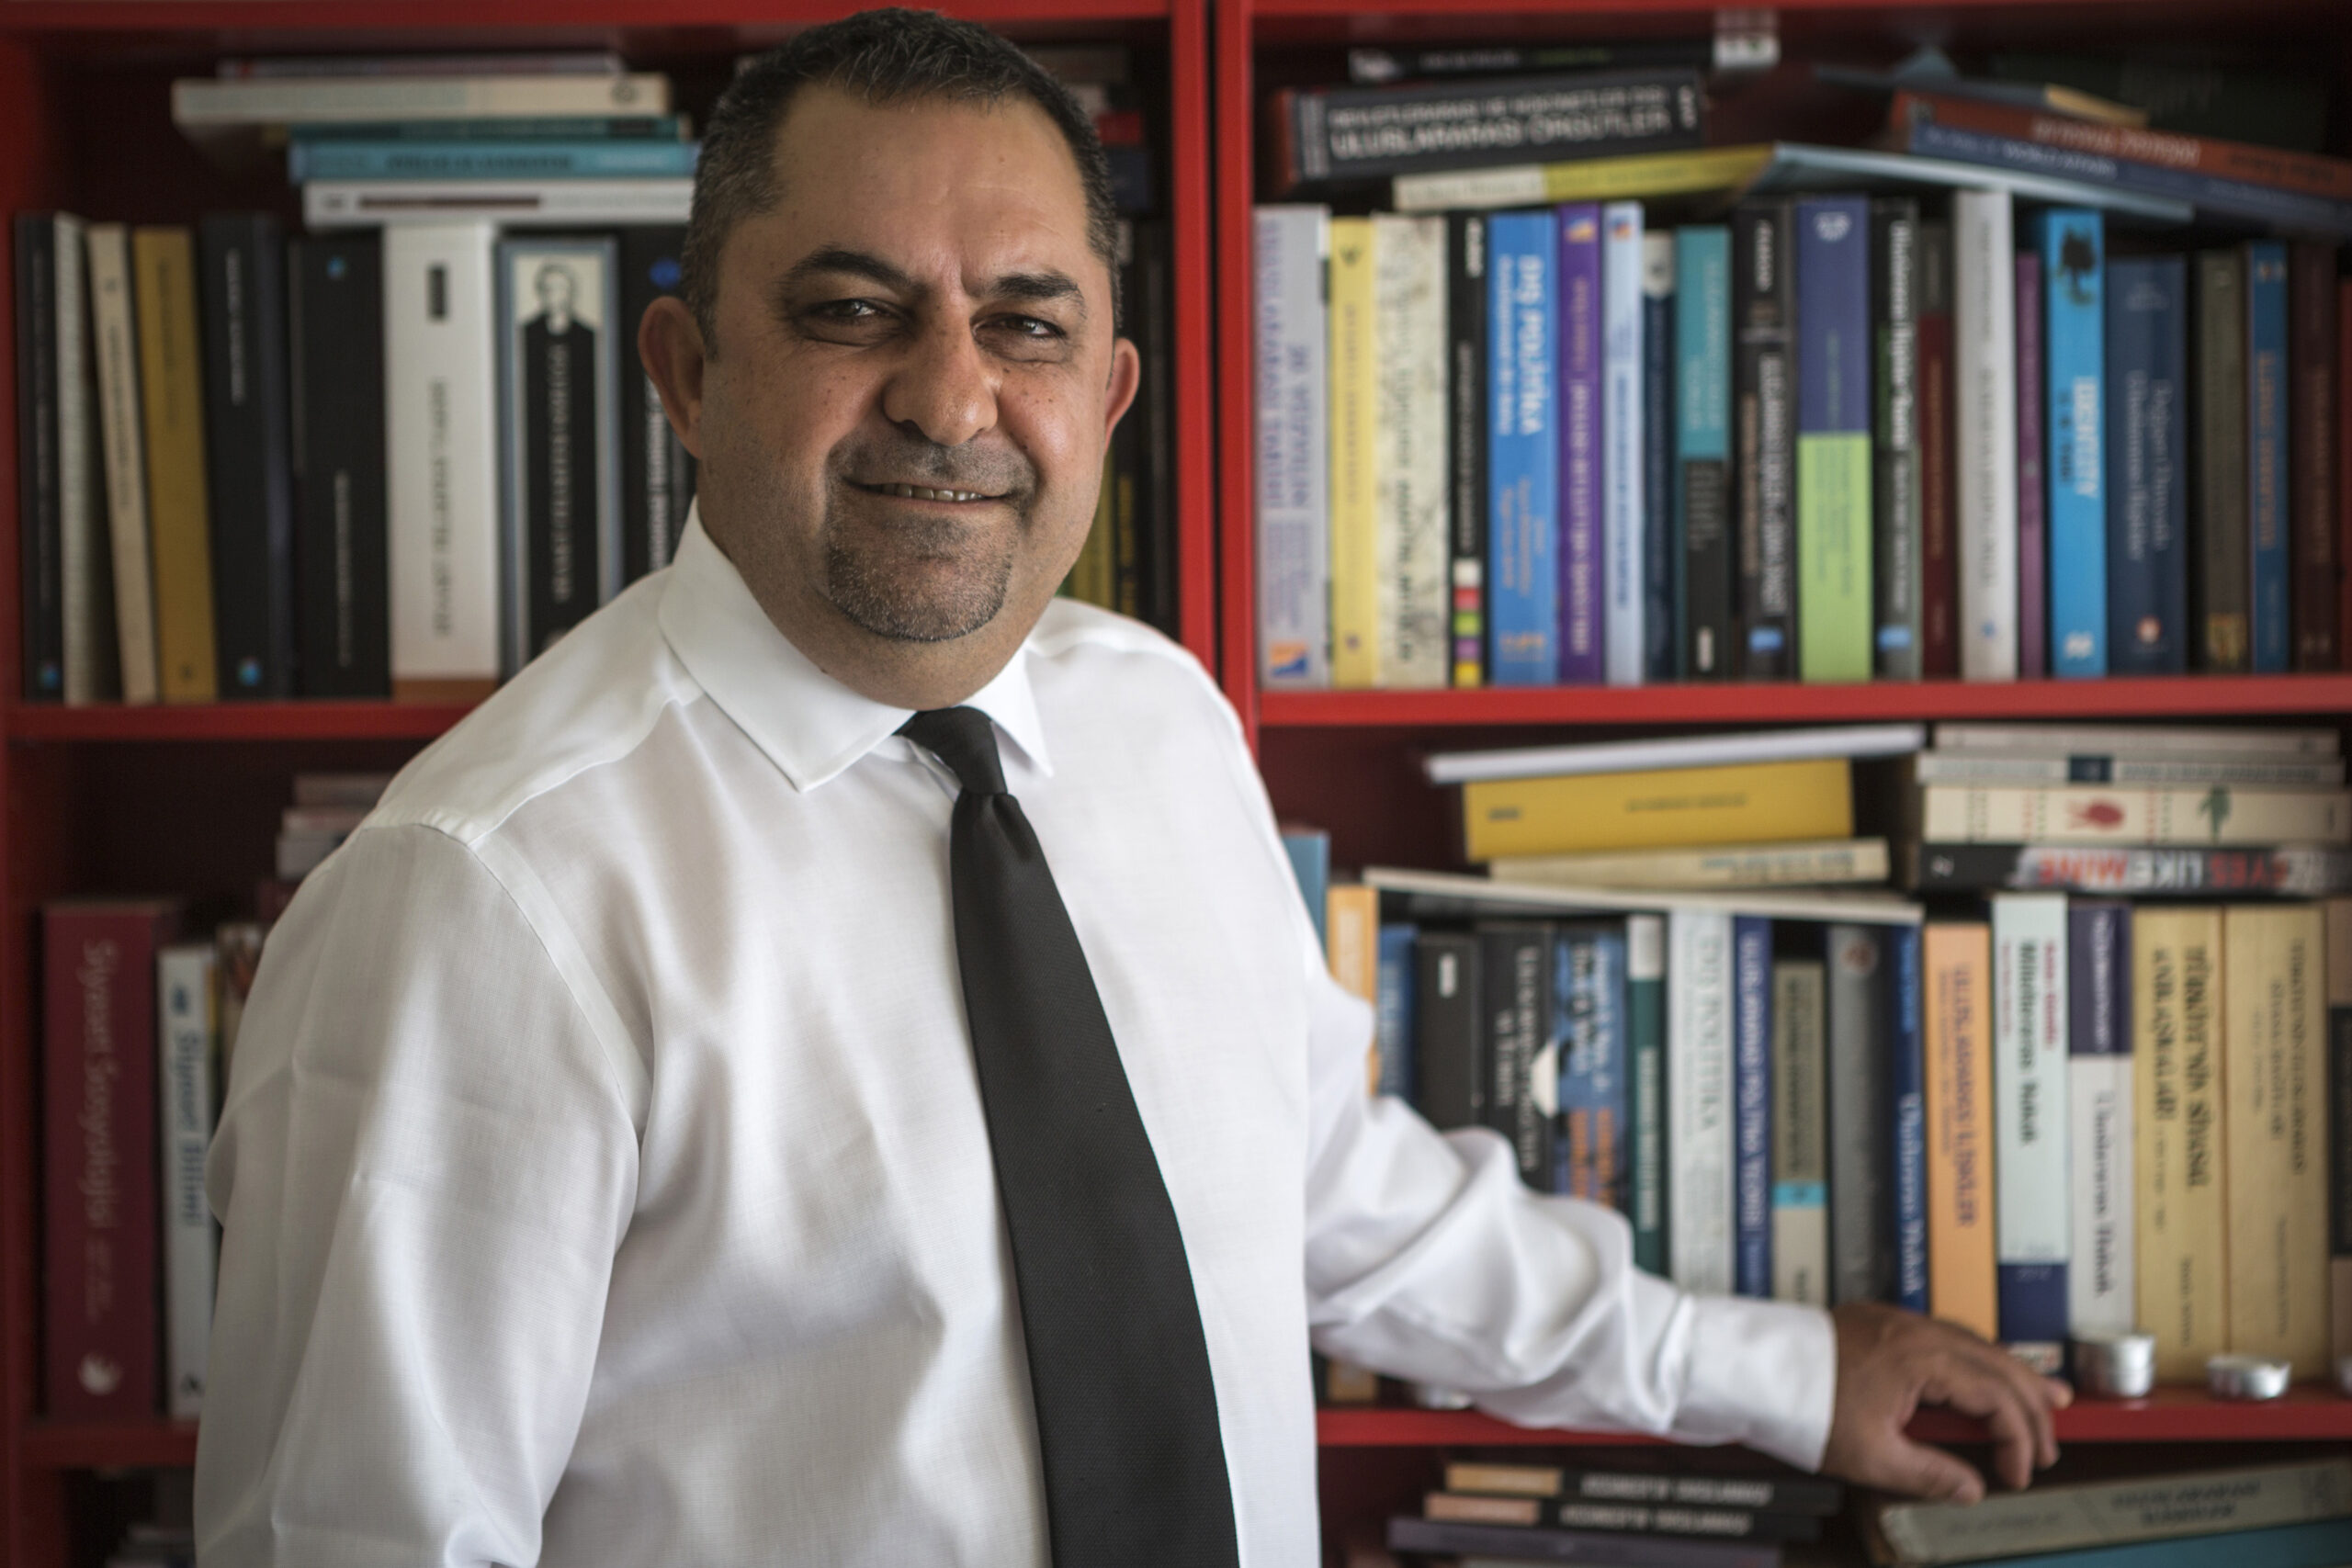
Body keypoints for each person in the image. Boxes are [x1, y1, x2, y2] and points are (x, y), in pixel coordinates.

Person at [194, 12, 2069, 1564]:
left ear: (1104, 394)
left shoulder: (1159, 725)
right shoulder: (481, 894)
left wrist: (1778, 1375)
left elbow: (1318, 1189)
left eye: (1025, 322)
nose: (950, 398)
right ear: (687, 373)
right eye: (852, 309)